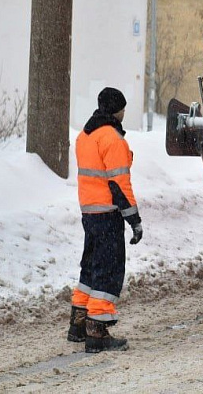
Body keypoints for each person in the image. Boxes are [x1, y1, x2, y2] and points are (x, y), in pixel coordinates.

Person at [67, 87, 143, 353]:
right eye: (123, 108)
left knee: (90, 266)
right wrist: (134, 219)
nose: (124, 112)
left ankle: (78, 323)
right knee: (108, 270)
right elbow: (120, 184)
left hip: (88, 212)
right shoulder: (111, 138)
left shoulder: (84, 136)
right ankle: (97, 331)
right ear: (116, 110)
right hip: (108, 214)